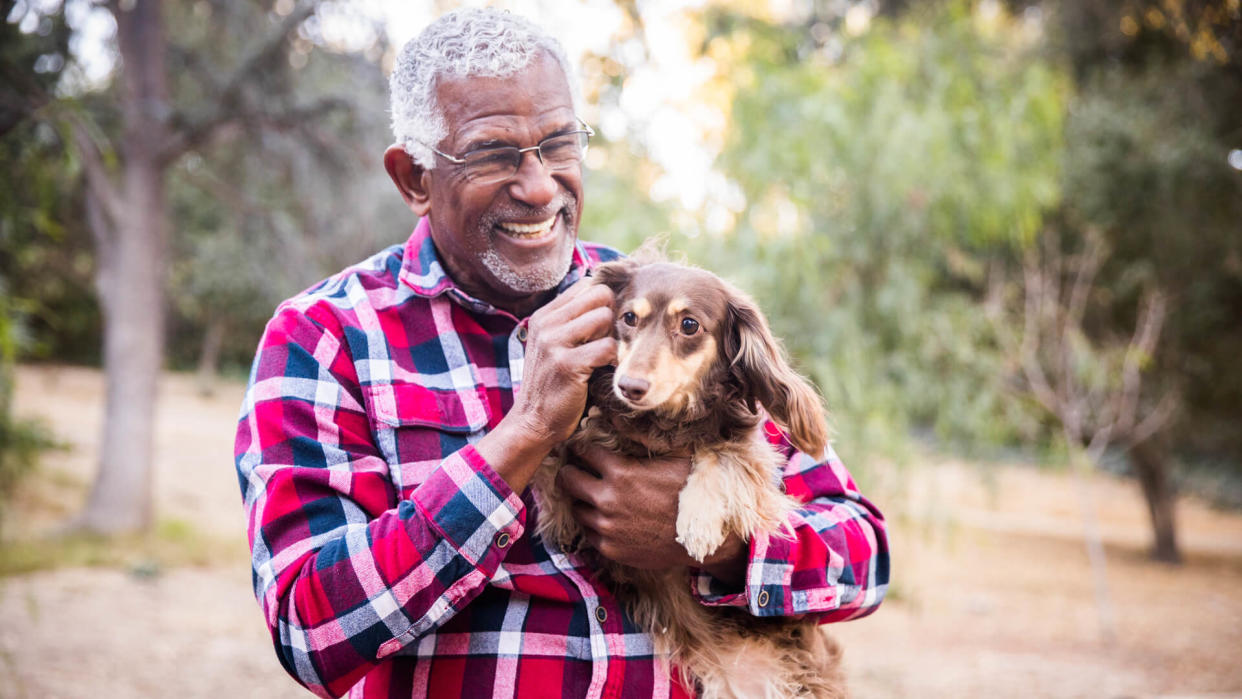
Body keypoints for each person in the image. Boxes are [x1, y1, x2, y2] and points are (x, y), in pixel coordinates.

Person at [234, 8, 889, 698]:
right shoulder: (325, 336)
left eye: (559, 143)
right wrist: (524, 434)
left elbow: (865, 557)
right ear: (414, 178)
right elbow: (311, 629)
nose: (540, 185)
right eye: (492, 153)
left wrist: (719, 549)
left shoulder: (663, 312)